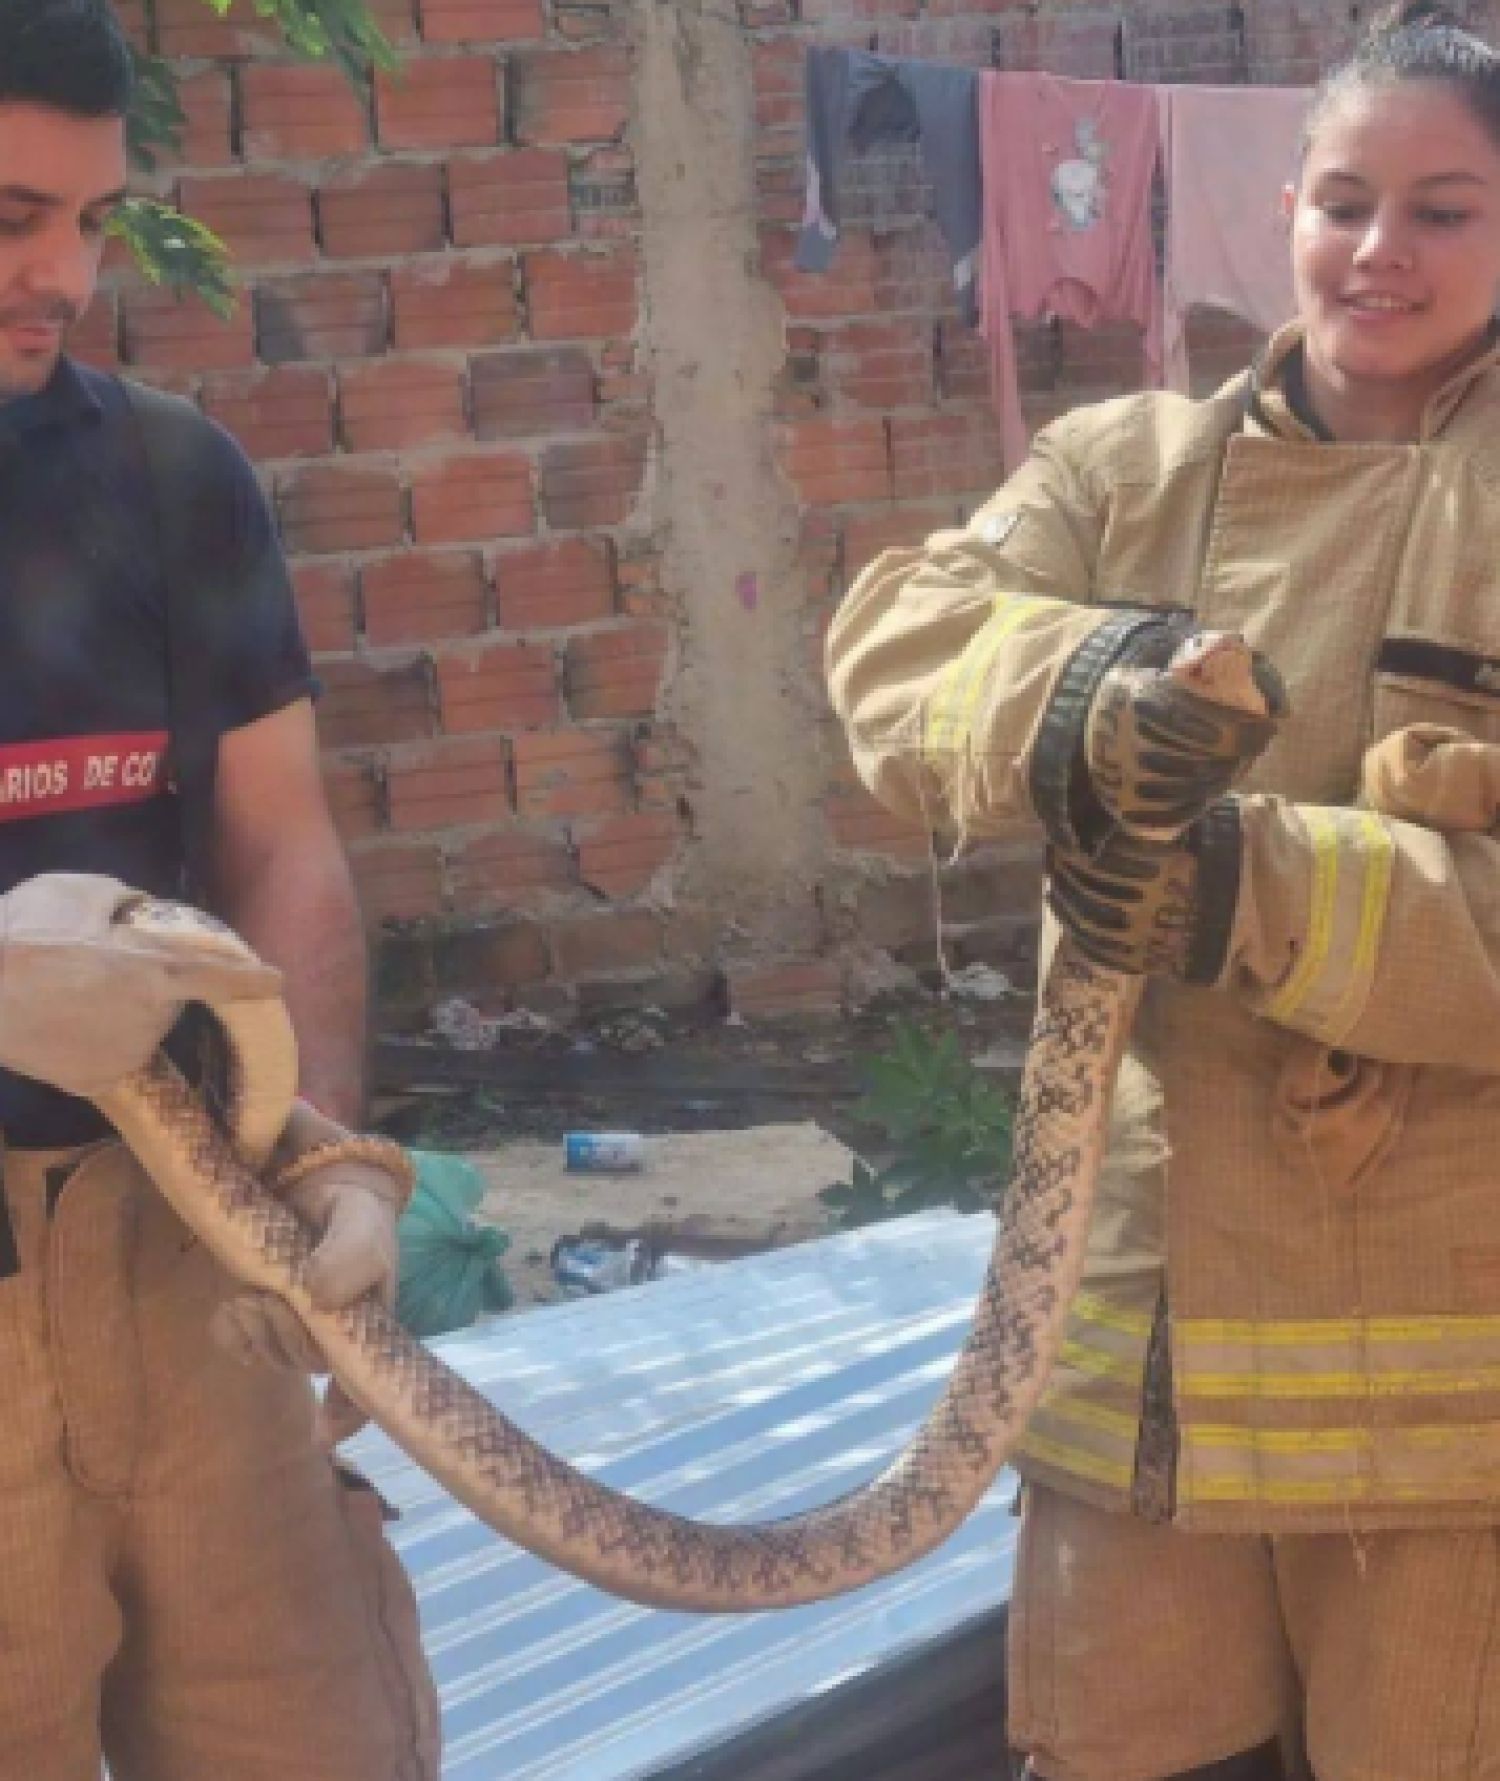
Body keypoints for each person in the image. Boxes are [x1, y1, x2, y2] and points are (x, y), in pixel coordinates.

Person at [828, 5, 1500, 1779]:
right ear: (1280, 207)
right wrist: (1082, 698)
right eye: (1345, 200)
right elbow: (894, 640)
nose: (1380, 252)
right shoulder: (1123, 466)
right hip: (1138, 1361)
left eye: (1446, 209)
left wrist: (1237, 882)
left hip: (1455, 1418)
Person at [0, 3, 440, 1777]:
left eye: (95, 222)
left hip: (189, 1250)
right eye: (13, 216)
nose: (67, 277)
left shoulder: (177, 481)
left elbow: (281, 843)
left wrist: (323, 1153)